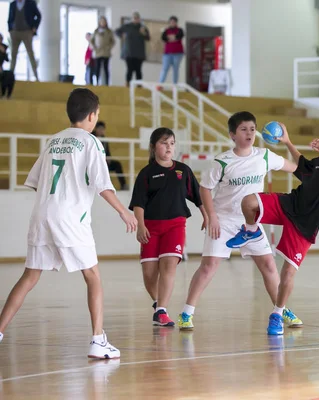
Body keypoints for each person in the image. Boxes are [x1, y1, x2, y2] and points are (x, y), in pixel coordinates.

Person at [0, 88, 138, 358]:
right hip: (70, 217)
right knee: (93, 276)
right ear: (92, 115)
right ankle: (98, 341)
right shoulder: (91, 142)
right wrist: (124, 211)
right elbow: (103, 185)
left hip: (42, 214)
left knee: (30, 275)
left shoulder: (53, 141)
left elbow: (35, 181)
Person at [226, 124, 319, 335]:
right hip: (289, 204)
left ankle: (278, 314)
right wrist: (287, 141)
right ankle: (251, 230)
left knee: (287, 272)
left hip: (305, 225)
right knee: (249, 201)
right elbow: (302, 165)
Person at [177, 112, 303, 331]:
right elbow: (205, 188)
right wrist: (212, 216)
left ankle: (281, 309)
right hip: (224, 221)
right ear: (232, 135)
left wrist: (288, 142)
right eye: (244, 129)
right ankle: (187, 313)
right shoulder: (222, 162)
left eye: (252, 129)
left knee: (269, 266)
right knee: (209, 266)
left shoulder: (264, 156)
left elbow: (296, 167)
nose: (249, 133)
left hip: (251, 223)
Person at [129, 127, 207, 327]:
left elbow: (198, 197)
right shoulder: (146, 174)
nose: (169, 147)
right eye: (164, 143)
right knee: (149, 272)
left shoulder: (183, 170)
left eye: (172, 143)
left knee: (169, 265)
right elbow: (138, 203)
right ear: (154, 147)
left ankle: (162, 310)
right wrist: (140, 226)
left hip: (176, 225)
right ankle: (158, 304)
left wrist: (207, 216)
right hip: (151, 227)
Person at [7, 0, 41, 81]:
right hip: (15, 32)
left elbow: (38, 16)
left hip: (27, 32)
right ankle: (10, 77)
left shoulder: (31, 3)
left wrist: (34, 28)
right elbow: (10, 18)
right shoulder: (12, 4)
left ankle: (36, 77)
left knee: (30, 54)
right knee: (13, 55)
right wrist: (10, 29)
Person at [116, 12, 150, 87]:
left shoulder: (143, 27)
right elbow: (117, 31)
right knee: (129, 69)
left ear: (139, 19)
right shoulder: (126, 26)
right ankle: (127, 85)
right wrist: (122, 35)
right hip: (129, 52)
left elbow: (148, 38)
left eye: (137, 18)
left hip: (139, 54)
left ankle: (139, 86)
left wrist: (143, 33)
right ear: (132, 19)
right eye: (134, 18)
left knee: (138, 70)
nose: (136, 19)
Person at [92, 121, 128, 190]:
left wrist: (108, 158)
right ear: (95, 129)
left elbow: (107, 152)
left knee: (117, 164)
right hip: (94, 162)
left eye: (102, 129)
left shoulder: (104, 139)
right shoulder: (91, 137)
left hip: (104, 162)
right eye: (99, 129)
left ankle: (123, 185)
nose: (101, 131)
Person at [159, 16, 184, 84]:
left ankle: (175, 85)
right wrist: (174, 37)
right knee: (164, 69)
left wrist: (170, 37)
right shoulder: (166, 30)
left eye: (174, 22)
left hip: (178, 53)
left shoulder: (180, 30)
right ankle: (160, 84)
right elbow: (163, 38)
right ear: (169, 23)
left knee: (175, 69)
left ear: (176, 23)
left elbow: (179, 36)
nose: (172, 23)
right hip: (167, 53)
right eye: (171, 22)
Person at [91, 17, 115, 86]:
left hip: (106, 53)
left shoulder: (109, 31)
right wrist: (94, 48)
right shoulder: (96, 31)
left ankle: (107, 83)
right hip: (97, 53)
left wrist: (109, 47)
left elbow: (113, 41)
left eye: (104, 21)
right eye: (101, 21)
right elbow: (91, 41)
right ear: (99, 22)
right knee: (97, 68)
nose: (103, 23)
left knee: (106, 68)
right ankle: (97, 83)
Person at [0, 33, 15, 99]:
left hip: (0, 70)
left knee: (10, 74)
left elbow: (7, 59)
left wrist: (3, 52)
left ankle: (7, 95)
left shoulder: (3, 47)